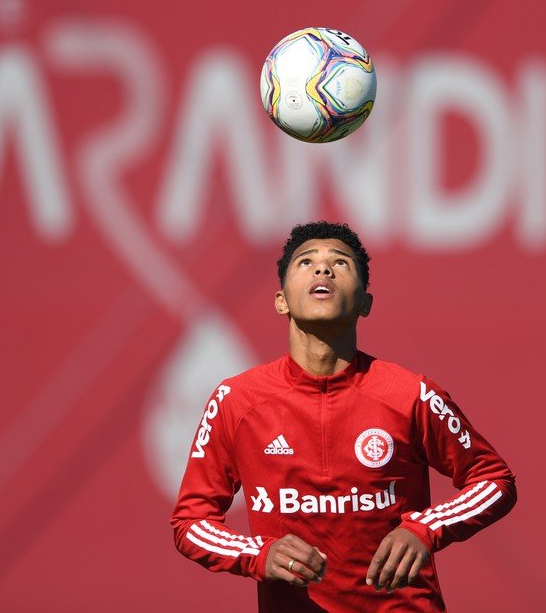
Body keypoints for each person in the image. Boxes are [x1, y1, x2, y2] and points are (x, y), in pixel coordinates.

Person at [170, 221, 517, 612]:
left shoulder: (409, 394)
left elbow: (493, 480)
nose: (323, 270)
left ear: (365, 303)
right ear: (281, 300)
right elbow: (191, 522)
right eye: (306, 262)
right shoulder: (237, 399)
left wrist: (425, 529)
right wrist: (259, 554)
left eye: (340, 263)